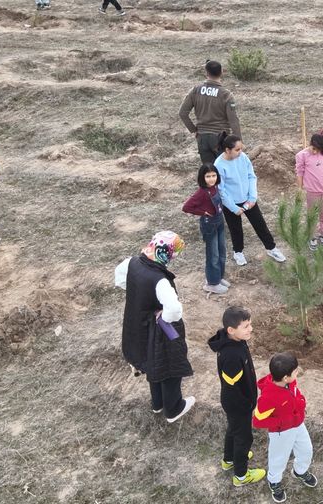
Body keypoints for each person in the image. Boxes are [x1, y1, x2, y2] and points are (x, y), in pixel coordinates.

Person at [114, 231, 195, 423]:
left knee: (151, 361)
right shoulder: (160, 280)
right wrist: (163, 317)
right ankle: (174, 409)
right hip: (160, 328)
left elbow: (119, 278)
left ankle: (157, 403)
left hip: (137, 324)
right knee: (169, 365)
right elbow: (174, 310)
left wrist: (140, 295)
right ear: (167, 253)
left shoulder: (132, 262)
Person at [208, 306, 267, 488]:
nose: (251, 329)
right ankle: (241, 475)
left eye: (250, 324)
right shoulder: (232, 355)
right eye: (246, 326)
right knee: (244, 438)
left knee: (233, 430)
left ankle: (229, 459)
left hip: (237, 402)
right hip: (238, 403)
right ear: (231, 330)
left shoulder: (235, 340)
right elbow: (232, 387)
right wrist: (247, 403)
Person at [253, 352, 317, 503]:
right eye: (295, 371)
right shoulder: (268, 398)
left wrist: (301, 402)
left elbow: (295, 394)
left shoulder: (290, 382)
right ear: (285, 377)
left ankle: (300, 471)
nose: (298, 372)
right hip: (281, 433)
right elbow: (258, 421)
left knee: (306, 450)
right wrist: (282, 422)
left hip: (298, 425)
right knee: (278, 459)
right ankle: (274, 481)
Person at [213, 134, 286, 266]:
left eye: (241, 148)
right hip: (231, 204)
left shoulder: (243, 157)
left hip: (248, 199)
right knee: (235, 229)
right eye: (237, 150)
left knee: (260, 224)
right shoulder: (218, 165)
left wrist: (252, 197)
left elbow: (251, 176)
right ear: (227, 150)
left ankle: (271, 248)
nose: (240, 152)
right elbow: (221, 190)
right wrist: (234, 208)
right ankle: (238, 252)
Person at [179, 60, 242, 164]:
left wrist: (194, 130)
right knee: (224, 170)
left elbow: (182, 113)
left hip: (202, 138)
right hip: (220, 138)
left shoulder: (195, 90)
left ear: (206, 73)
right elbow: (233, 120)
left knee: (209, 173)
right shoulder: (226, 94)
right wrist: (238, 141)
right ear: (222, 72)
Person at [182, 164, 230, 295]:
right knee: (213, 255)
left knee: (222, 251)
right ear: (202, 178)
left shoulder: (215, 188)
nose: (211, 179)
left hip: (219, 222)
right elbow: (186, 207)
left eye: (213, 175)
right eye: (208, 176)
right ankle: (212, 283)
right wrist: (203, 212)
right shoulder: (201, 192)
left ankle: (218, 277)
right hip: (209, 226)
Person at [295, 131, 323, 251]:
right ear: (310, 143)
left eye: (317, 150)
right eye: (313, 148)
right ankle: (312, 236)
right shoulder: (301, 155)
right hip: (312, 191)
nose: (315, 152)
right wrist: (300, 189)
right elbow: (299, 173)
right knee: (312, 215)